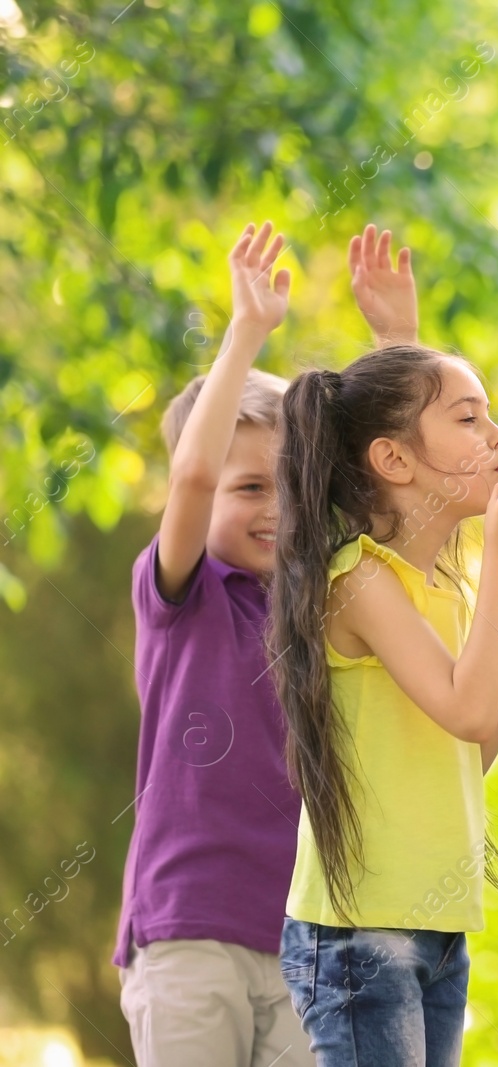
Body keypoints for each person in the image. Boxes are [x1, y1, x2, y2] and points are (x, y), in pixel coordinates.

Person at [268, 298, 498, 1063]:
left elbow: (467, 752)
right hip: (360, 933)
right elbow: (467, 714)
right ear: (395, 460)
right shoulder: (360, 579)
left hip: (436, 927)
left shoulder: (444, 584)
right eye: (469, 419)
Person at [115, 221, 313, 1067]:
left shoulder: (320, 606)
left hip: (304, 935)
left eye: (286, 485)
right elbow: (193, 476)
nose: (273, 506)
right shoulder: (181, 596)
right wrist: (247, 332)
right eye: (249, 487)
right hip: (188, 927)